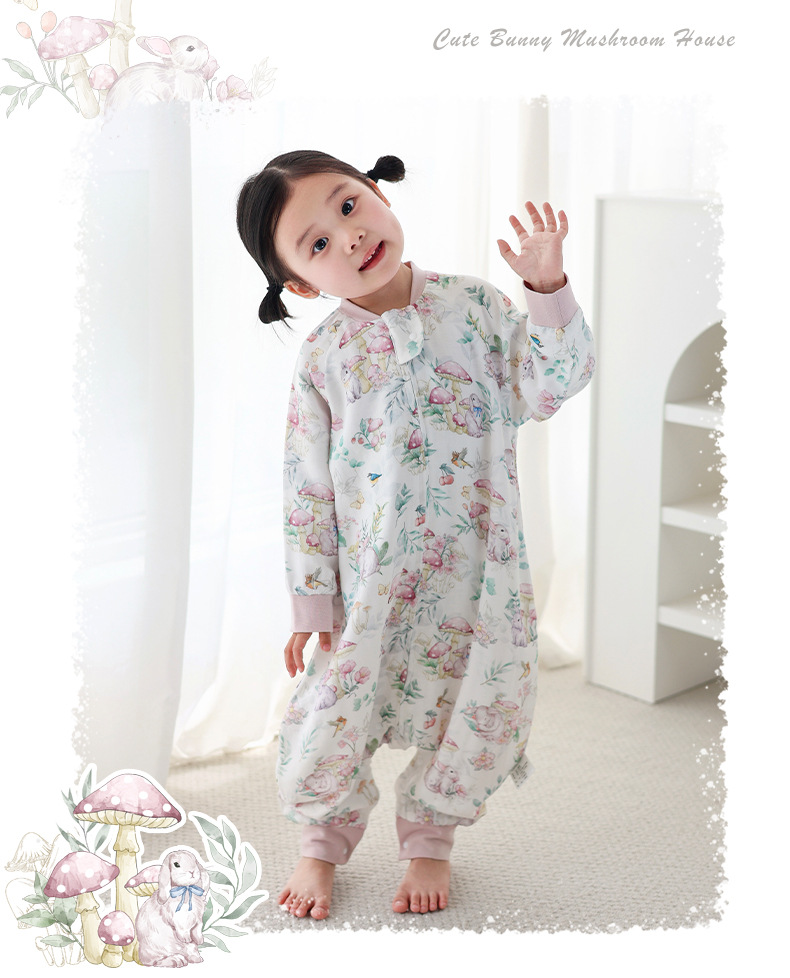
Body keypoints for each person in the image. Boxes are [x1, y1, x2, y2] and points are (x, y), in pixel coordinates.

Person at [235, 150, 595, 921]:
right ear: (302, 285)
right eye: (318, 243)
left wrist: (546, 290)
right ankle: (321, 840)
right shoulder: (324, 357)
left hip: (479, 574)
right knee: (333, 710)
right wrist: (312, 600)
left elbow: (548, 386)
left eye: (348, 206)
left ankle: (431, 836)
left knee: (477, 700)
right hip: (370, 582)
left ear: (378, 192)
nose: (348, 236)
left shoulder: (475, 306)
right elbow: (305, 485)